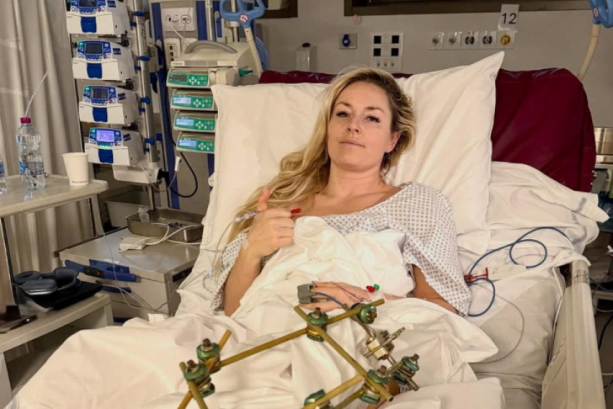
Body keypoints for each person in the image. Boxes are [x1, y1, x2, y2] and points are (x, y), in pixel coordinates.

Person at [211, 68, 471, 318]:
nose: (353, 126)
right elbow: (236, 312)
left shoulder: (417, 204)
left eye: (372, 118)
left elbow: (443, 311)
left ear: (392, 140)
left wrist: (362, 301)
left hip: (370, 339)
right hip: (270, 335)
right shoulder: (282, 206)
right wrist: (251, 249)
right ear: (328, 129)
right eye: (343, 114)